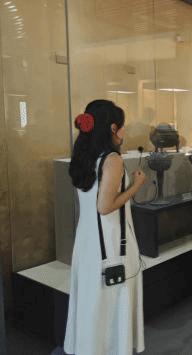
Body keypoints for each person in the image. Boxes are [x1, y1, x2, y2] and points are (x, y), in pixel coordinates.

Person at [64, 100, 146, 355]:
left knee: (91, 302)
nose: (124, 131)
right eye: (122, 126)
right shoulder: (112, 159)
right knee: (113, 302)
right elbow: (105, 206)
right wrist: (135, 186)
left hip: (88, 241)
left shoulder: (84, 156)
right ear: (112, 128)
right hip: (111, 243)